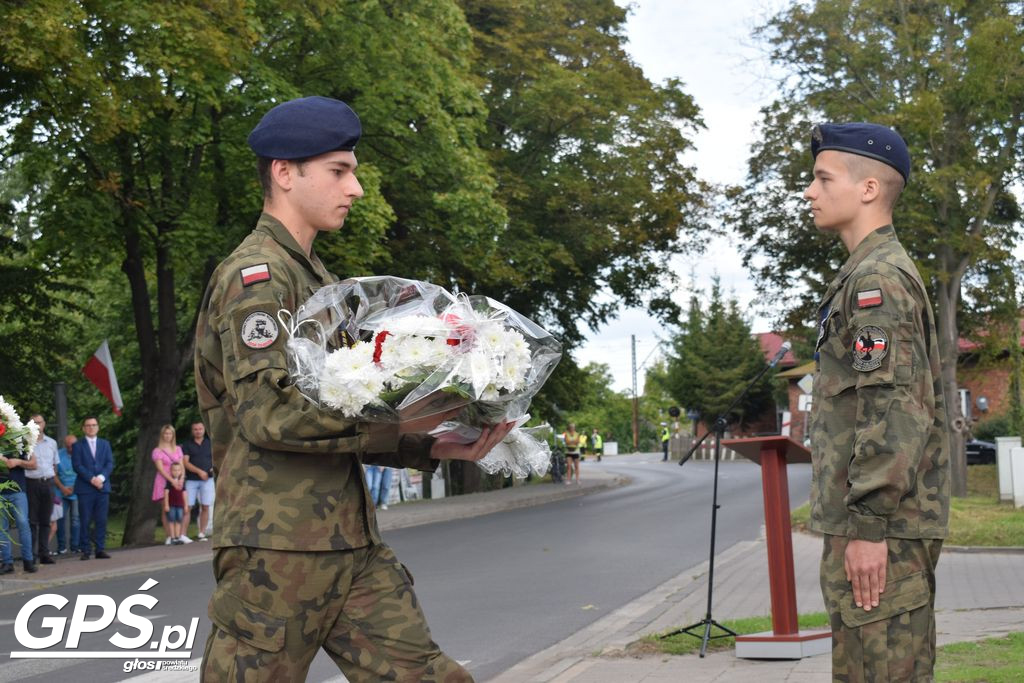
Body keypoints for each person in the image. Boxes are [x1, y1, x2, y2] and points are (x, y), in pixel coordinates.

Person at [194, 95, 513, 682]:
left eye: (353, 171)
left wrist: (429, 445)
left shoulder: (318, 279)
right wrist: (400, 426)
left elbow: (344, 409)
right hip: (277, 549)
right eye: (340, 171)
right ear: (285, 174)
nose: (356, 188)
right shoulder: (255, 278)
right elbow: (268, 415)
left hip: (348, 542)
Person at [805, 122, 950, 681]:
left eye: (823, 178)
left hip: (881, 527)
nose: (809, 192)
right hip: (872, 523)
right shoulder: (861, 276)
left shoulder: (878, 281)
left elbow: (892, 412)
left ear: (868, 189)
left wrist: (868, 528)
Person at [71, 416, 114, 560]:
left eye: (94, 425)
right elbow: (77, 465)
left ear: (98, 427)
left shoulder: (105, 444)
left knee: (101, 519)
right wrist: (92, 479)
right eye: (88, 425)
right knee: (85, 519)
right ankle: (85, 549)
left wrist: (101, 478)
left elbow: (109, 463)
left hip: (102, 487)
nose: (91, 427)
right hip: (85, 488)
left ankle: (100, 549)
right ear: (83, 428)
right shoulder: (78, 445)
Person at [26, 414, 60, 565]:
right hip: (32, 483)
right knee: (32, 521)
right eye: (34, 423)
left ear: (44, 424)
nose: (37, 425)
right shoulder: (25, 443)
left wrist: (52, 480)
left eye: (39, 422)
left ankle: (44, 553)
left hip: (48, 483)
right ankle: (31, 554)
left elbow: (55, 465)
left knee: (46, 520)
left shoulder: (52, 443)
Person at [0, 439, 36, 573]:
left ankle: (28, 560)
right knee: (2, 529)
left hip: (18, 490)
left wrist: (18, 462)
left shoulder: (20, 441)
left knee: (23, 524)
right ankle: (7, 563)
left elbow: (33, 464)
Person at [151, 424, 191, 544]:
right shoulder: (157, 451)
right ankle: (169, 536)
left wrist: (181, 479)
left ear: (173, 435)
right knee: (166, 508)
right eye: (166, 433)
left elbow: (182, 465)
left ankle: (179, 534)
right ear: (162, 435)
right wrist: (172, 480)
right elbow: (160, 469)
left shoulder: (178, 449)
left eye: (170, 433)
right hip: (164, 480)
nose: (168, 436)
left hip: (178, 480)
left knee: (180, 505)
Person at [182, 421, 215, 540]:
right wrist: (199, 472)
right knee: (188, 507)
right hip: (191, 480)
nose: (198, 431)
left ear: (204, 430)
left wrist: (211, 469)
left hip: (208, 479)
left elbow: (216, 459)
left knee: (205, 506)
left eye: (200, 429)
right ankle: (183, 534)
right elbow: (185, 462)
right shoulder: (187, 444)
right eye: (195, 429)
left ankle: (202, 532)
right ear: (192, 431)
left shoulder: (210, 443)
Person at [55, 434, 80, 554]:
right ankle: (61, 547)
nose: (71, 449)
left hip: (77, 490)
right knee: (60, 518)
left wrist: (74, 488)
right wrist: (62, 488)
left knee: (76, 519)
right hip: (61, 490)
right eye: (68, 446)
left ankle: (75, 546)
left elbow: (85, 472)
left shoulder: (82, 454)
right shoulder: (59, 454)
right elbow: (53, 473)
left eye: (73, 446)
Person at [163, 461, 188, 544]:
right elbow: (166, 493)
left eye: (178, 470)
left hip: (180, 505)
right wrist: (166, 505)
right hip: (171, 505)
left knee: (179, 520)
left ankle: (177, 537)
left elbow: (184, 494)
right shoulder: (169, 482)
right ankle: (172, 537)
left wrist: (186, 505)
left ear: (181, 471)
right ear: (171, 471)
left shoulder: (182, 482)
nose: (176, 472)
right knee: (171, 520)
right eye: (174, 470)